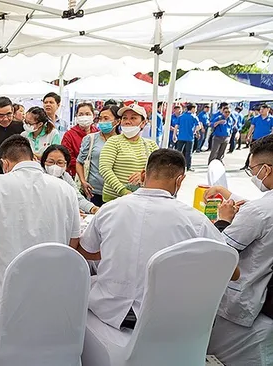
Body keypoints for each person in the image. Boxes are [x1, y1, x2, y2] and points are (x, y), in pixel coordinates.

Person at [77, 148, 236, 330]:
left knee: (92, 282)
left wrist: (117, 249)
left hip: (108, 310)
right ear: (180, 180)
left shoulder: (109, 209)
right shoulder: (194, 219)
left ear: (144, 175)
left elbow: (86, 251)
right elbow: (231, 271)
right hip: (161, 316)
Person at [0, 135, 80, 313]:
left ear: (5, 163)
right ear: (34, 158)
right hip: (53, 295)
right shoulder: (66, 190)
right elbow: (73, 243)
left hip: (5, 299)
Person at [206, 135, 273, 365]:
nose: (253, 175)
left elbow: (221, 253)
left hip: (250, 303)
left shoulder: (259, 211)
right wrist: (226, 193)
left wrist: (223, 221)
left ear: (266, 169)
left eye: (252, 169)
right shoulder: (261, 207)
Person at [99, 104, 159, 203]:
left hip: (141, 199)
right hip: (114, 199)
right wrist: (124, 191)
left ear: (143, 123)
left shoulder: (151, 145)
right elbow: (104, 169)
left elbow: (158, 170)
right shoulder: (113, 141)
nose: (127, 121)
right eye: (124, 118)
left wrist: (143, 175)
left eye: (133, 118)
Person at [77, 105, 121, 207]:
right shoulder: (91, 139)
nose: (102, 122)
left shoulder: (122, 140)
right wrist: (83, 182)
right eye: (100, 118)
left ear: (117, 121)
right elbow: (79, 162)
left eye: (106, 119)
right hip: (93, 191)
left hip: (115, 192)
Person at [42, 144, 99, 214]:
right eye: (51, 162)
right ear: (44, 161)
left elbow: (76, 197)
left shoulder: (65, 177)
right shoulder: (39, 175)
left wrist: (92, 208)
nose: (55, 166)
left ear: (66, 164)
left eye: (60, 162)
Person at [62, 102, 100, 177]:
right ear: (76, 116)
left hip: (96, 175)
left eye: (87, 114)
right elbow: (67, 157)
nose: (84, 117)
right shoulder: (69, 135)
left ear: (93, 116)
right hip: (75, 174)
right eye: (81, 114)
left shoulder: (98, 133)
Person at [242, 104, 273, 170]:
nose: (261, 111)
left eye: (263, 109)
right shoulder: (256, 118)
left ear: (268, 109)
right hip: (256, 138)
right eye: (260, 109)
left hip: (266, 140)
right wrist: (248, 136)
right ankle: (247, 165)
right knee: (252, 152)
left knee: (264, 153)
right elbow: (251, 128)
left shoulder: (271, 119)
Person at [173, 103, 200, 172]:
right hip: (189, 138)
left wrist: (174, 135)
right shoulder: (194, 117)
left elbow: (176, 126)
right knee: (188, 153)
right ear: (192, 109)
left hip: (181, 137)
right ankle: (188, 167)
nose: (196, 110)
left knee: (179, 152)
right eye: (195, 108)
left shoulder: (181, 116)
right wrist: (194, 131)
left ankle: (176, 166)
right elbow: (198, 126)